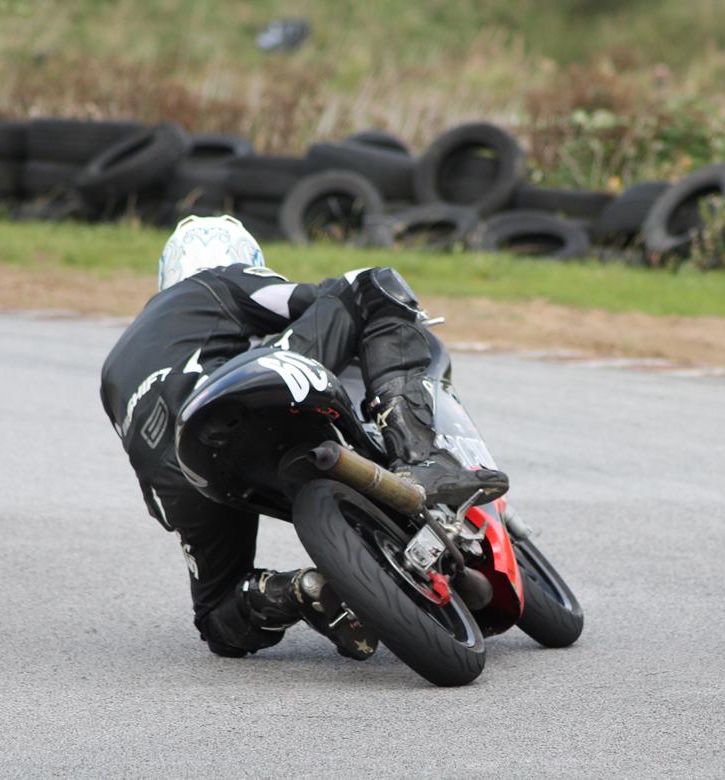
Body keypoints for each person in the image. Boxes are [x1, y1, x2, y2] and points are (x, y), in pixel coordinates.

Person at [100, 215, 508, 660]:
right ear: (245, 258)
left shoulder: (115, 368)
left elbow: (149, 477)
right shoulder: (220, 282)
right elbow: (315, 299)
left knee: (218, 618)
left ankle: (294, 591)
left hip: (185, 476)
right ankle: (420, 454)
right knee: (368, 288)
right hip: (236, 402)